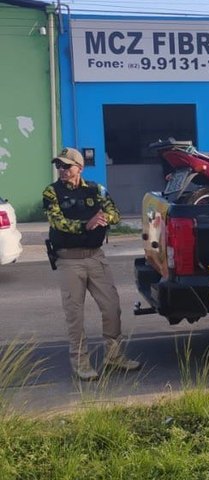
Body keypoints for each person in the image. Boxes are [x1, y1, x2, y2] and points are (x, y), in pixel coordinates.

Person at [42, 147, 141, 381]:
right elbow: (58, 222)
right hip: (69, 260)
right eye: (59, 165)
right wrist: (87, 224)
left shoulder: (96, 190)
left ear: (80, 168)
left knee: (111, 307)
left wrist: (104, 218)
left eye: (67, 166)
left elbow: (115, 213)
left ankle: (114, 357)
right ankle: (80, 361)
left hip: (95, 257)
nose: (62, 170)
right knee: (74, 314)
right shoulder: (51, 192)